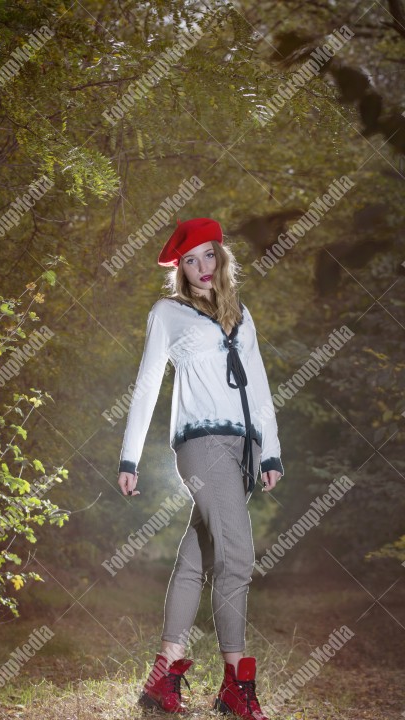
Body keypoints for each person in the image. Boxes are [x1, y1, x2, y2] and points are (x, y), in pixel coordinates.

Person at [117, 218, 284, 719]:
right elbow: (147, 385)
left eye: (208, 256)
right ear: (181, 269)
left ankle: (163, 675)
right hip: (200, 443)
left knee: (199, 556)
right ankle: (236, 682)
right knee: (237, 551)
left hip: (242, 448)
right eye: (190, 261)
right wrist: (129, 455)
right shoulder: (168, 313)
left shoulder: (242, 315)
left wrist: (270, 450)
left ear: (222, 256)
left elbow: (259, 386)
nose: (202, 268)